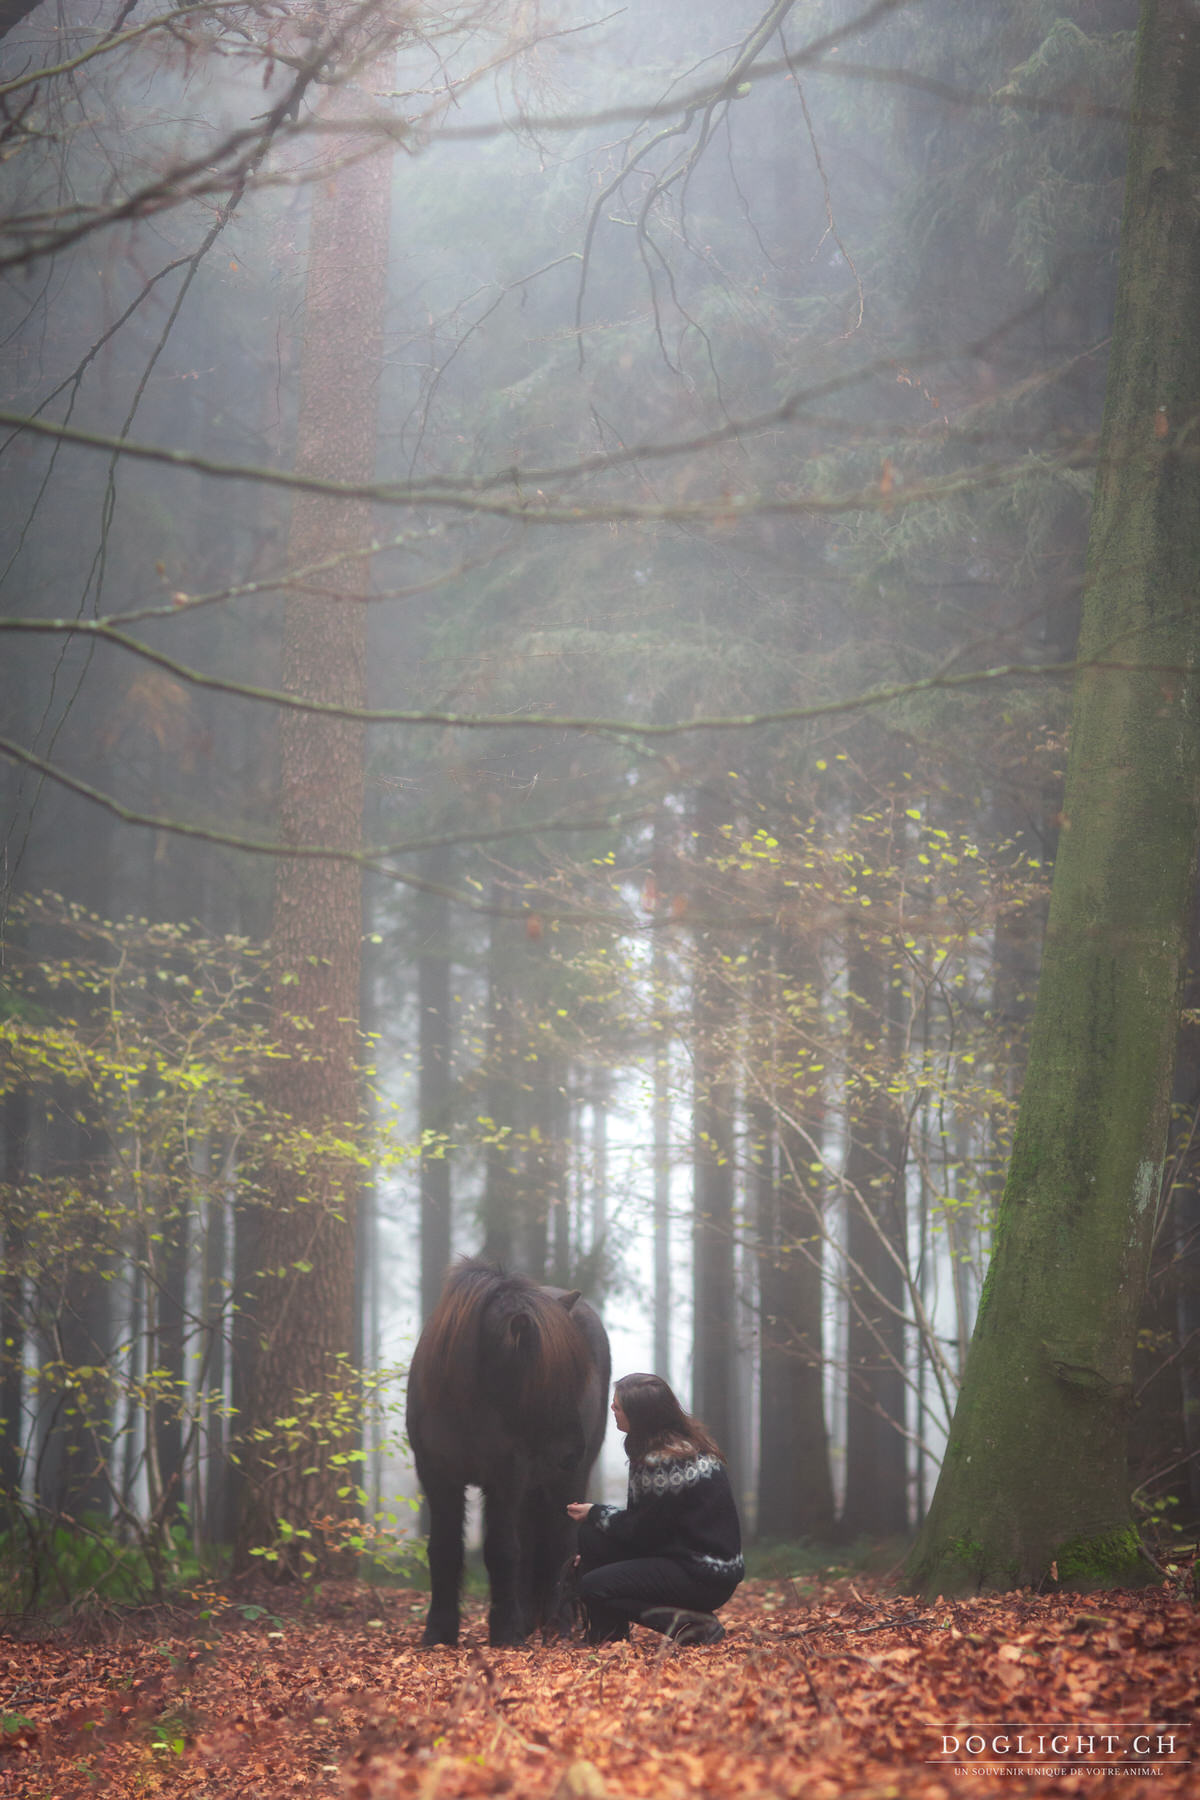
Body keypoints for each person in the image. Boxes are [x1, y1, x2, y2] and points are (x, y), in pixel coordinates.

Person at [566, 1372, 743, 1646]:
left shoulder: (660, 1461)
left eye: (618, 1406)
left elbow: (641, 1535)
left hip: (703, 1575)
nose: (612, 1409)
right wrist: (593, 1544)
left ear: (640, 1414)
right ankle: (608, 1637)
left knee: (592, 1585)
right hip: (701, 1565)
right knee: (592, 1537)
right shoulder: (677, 1446)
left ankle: (693, 1626)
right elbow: (649, 1527)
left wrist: (595, 1513)